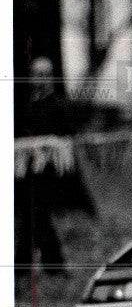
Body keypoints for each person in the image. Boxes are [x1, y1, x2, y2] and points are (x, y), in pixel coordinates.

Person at [14, 57, 74, 275]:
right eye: (36, 74)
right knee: (32, 216)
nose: (40, 78)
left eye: (45, 74)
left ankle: (46, 265)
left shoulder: (57, 105)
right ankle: (42, 264)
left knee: (36, 214)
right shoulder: (26, 106)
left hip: (47, 171)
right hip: (25, 169)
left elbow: (66, 139)